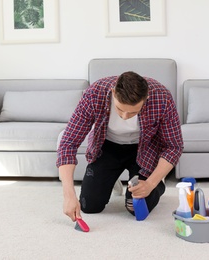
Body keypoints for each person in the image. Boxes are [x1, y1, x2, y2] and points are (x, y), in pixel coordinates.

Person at [56, 71, 183, 222]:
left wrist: (150, 183)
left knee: (136, 209)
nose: (124, 116)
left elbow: (174, 146)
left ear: (146, 98)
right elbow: (68, 143)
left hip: (144, 149)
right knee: (89, 206)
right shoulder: (94, 93)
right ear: (113, 92)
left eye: (132, 113)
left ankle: (157, 182)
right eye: (120, 109)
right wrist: (68, 195)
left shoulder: (162, 97)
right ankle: (111, 178)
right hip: (108, 146)